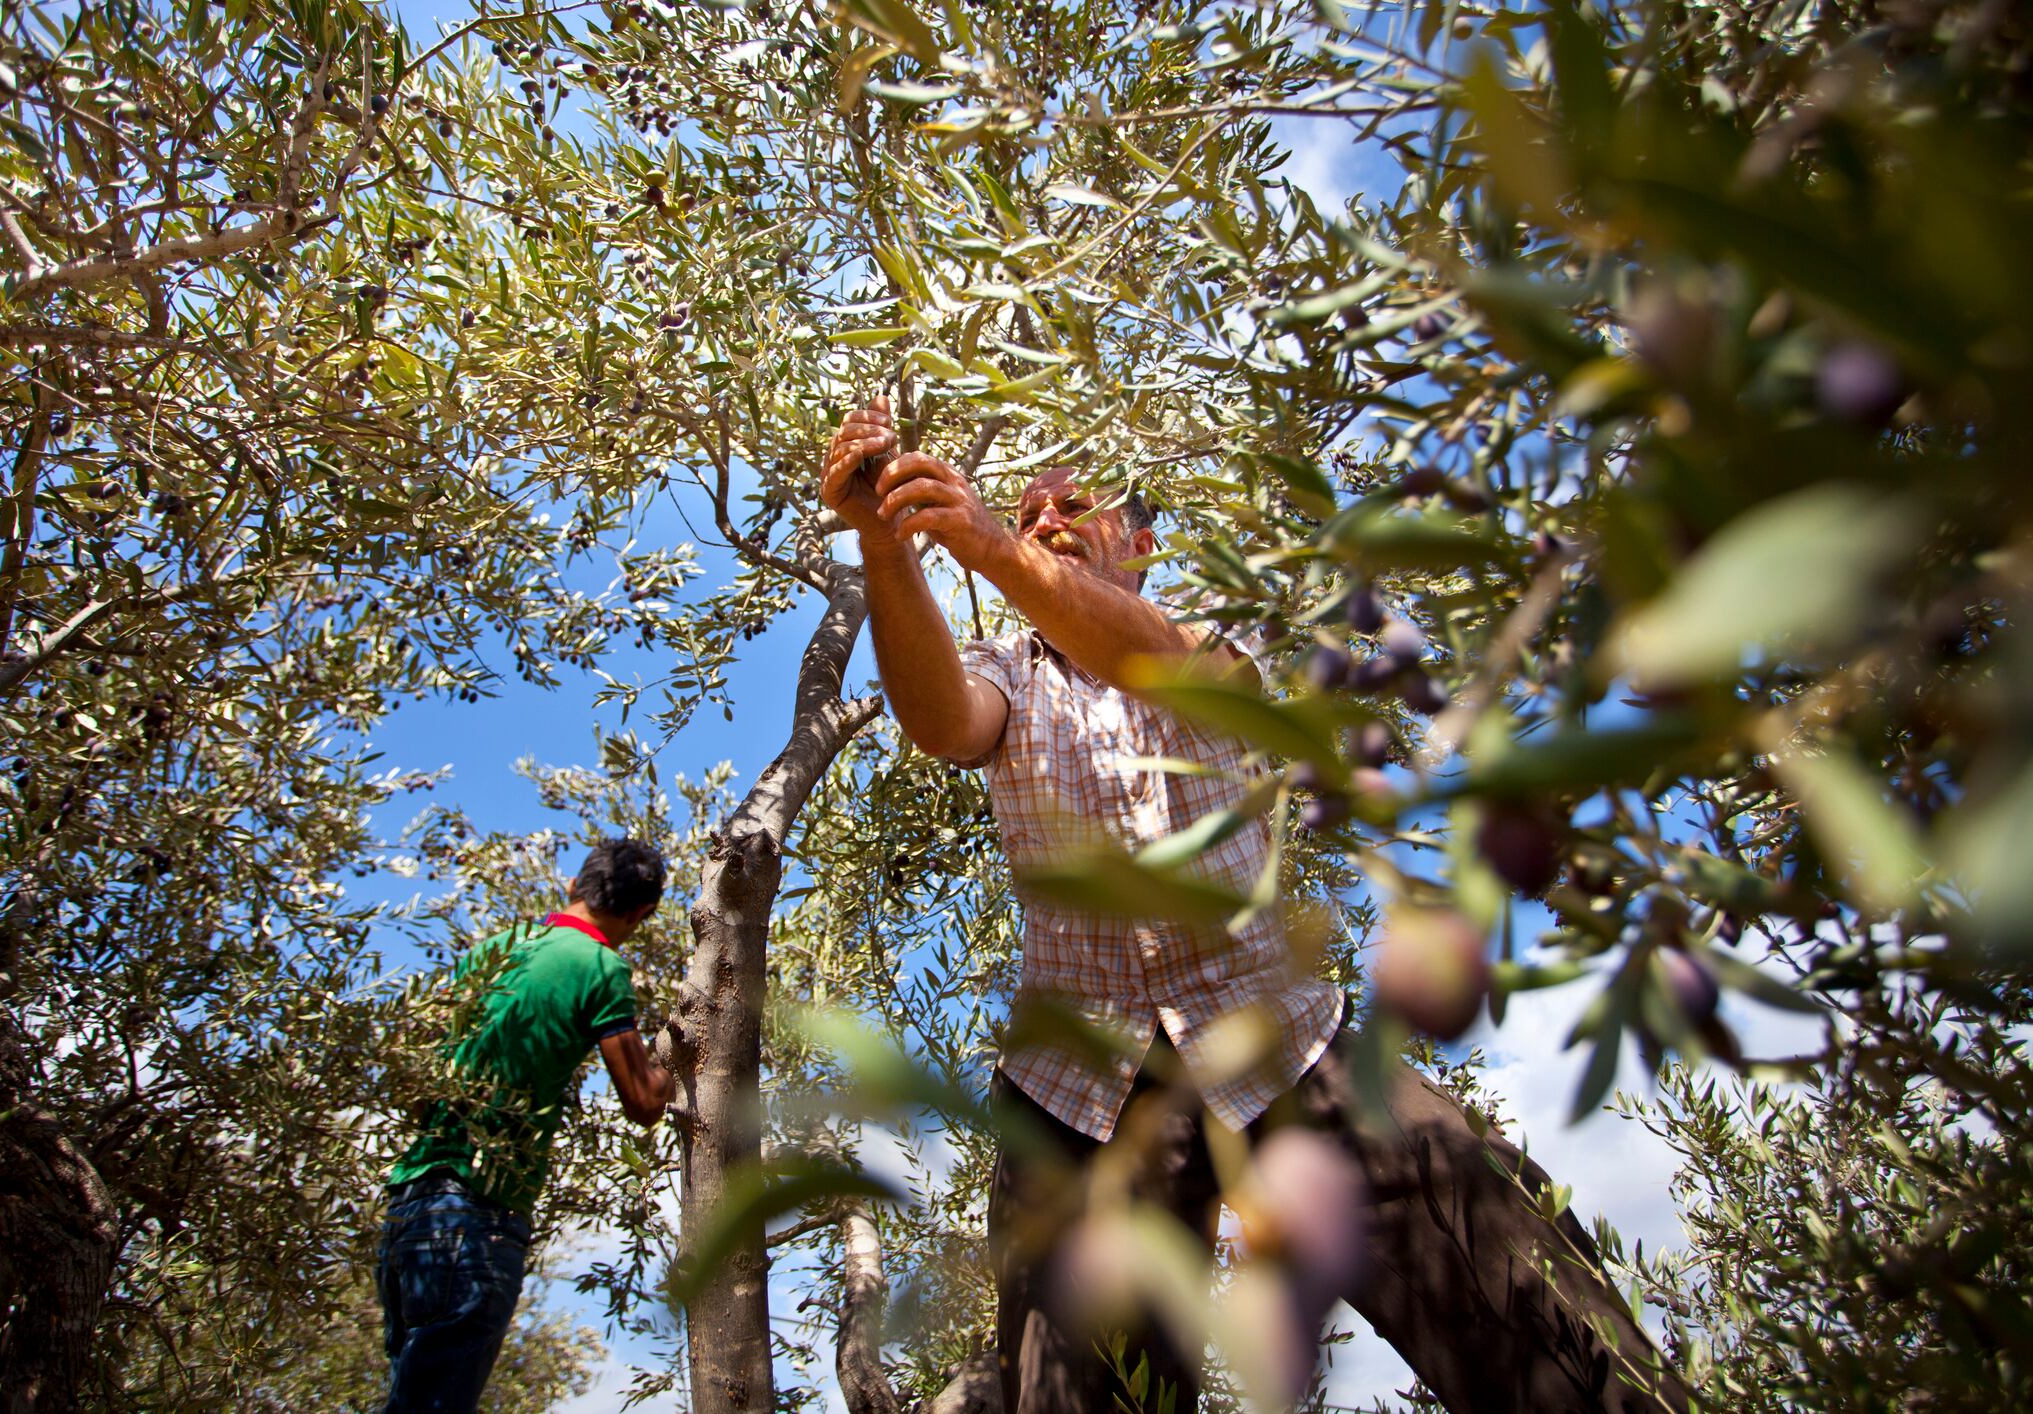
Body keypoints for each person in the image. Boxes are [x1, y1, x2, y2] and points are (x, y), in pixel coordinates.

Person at [819, 401, 1682, 1414]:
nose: (1046, 519)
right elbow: (940, 720)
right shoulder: (1009, 672)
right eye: (1029, 508)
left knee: (1507, 1264)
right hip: (1078, 1093)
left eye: (1074, 505)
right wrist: (886, 540)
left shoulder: (1218, 637)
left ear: (1140, 541)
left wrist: (996, 547)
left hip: (1286, 1045)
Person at [377, 838, 675, 1413]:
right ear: (640, 915)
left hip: (409, 1212)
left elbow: (419, 1071)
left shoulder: (494, 950)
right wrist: (684, 1050)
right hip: (478, 1216)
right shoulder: (599, 966)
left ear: (572, 887)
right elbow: (642, 1101)